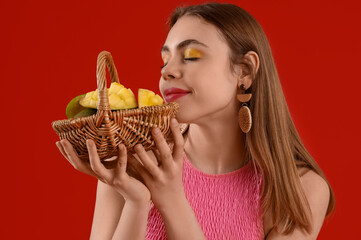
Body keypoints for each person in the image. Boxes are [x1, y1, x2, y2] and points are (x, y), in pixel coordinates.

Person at [56, 2, 335, 239]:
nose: (168, 72)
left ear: (245, 71)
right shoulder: (130, 158)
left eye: (190, 56)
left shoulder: (299, 187)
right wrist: (136, 201)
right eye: (164, 60)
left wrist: (171, 199)